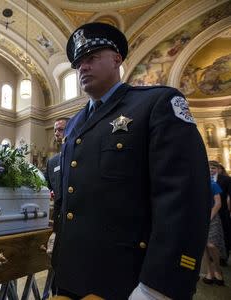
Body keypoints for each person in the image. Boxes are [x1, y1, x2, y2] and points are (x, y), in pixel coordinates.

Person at [51, 22, 210, 299]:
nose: (83, 68)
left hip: (128, 279)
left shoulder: (156, 103)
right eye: (78, 64)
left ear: (116, 59)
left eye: (91, 58)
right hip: (71, 275)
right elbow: (70, 198)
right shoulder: (75, 124)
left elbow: (184, 197)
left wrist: (157, 286)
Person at [43, 117, 68, 300]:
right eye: (56, 130)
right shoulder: (52, 162)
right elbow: (44, 187)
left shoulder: (83, 156)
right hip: (60, 226)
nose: (58, 134)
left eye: (61, 129)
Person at [202, 179, 225, 286]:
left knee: (211, 245)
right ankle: (209, 271)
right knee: (203, 246)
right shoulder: (195, 183)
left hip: (212, 217)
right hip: (198, 218)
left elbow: (218, 203)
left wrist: (209, 217)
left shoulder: (212, 184)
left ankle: (218, 269)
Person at [209, 160, 231, 265]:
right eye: (209, 168)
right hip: (210, 212)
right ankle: (212, 257)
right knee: (212, 237)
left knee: (225, 233)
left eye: (213, 168)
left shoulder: (226, 179)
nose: (211, 170)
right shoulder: (205, 180)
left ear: (218, 169)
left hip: (222, 212)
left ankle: (224, 257)